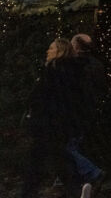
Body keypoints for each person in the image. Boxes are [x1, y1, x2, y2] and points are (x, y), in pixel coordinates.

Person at [22, 39, 82, 198]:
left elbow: (42, 95)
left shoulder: (53, 70)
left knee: (39, 158)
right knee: (57, 157)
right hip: (59, 121)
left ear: (59, 51)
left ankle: (28, 191)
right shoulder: (72, 71)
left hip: (47, 121)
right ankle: (75, 188)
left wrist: (34, 109)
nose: (48, 51)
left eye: (51, 48)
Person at [69, 34, 106, 197]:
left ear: (76, 47)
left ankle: (92, 174)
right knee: (76, 145)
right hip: (89, 111)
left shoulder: (72, 65)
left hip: (74, 111)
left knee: (67, 146)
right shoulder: (97, 65)